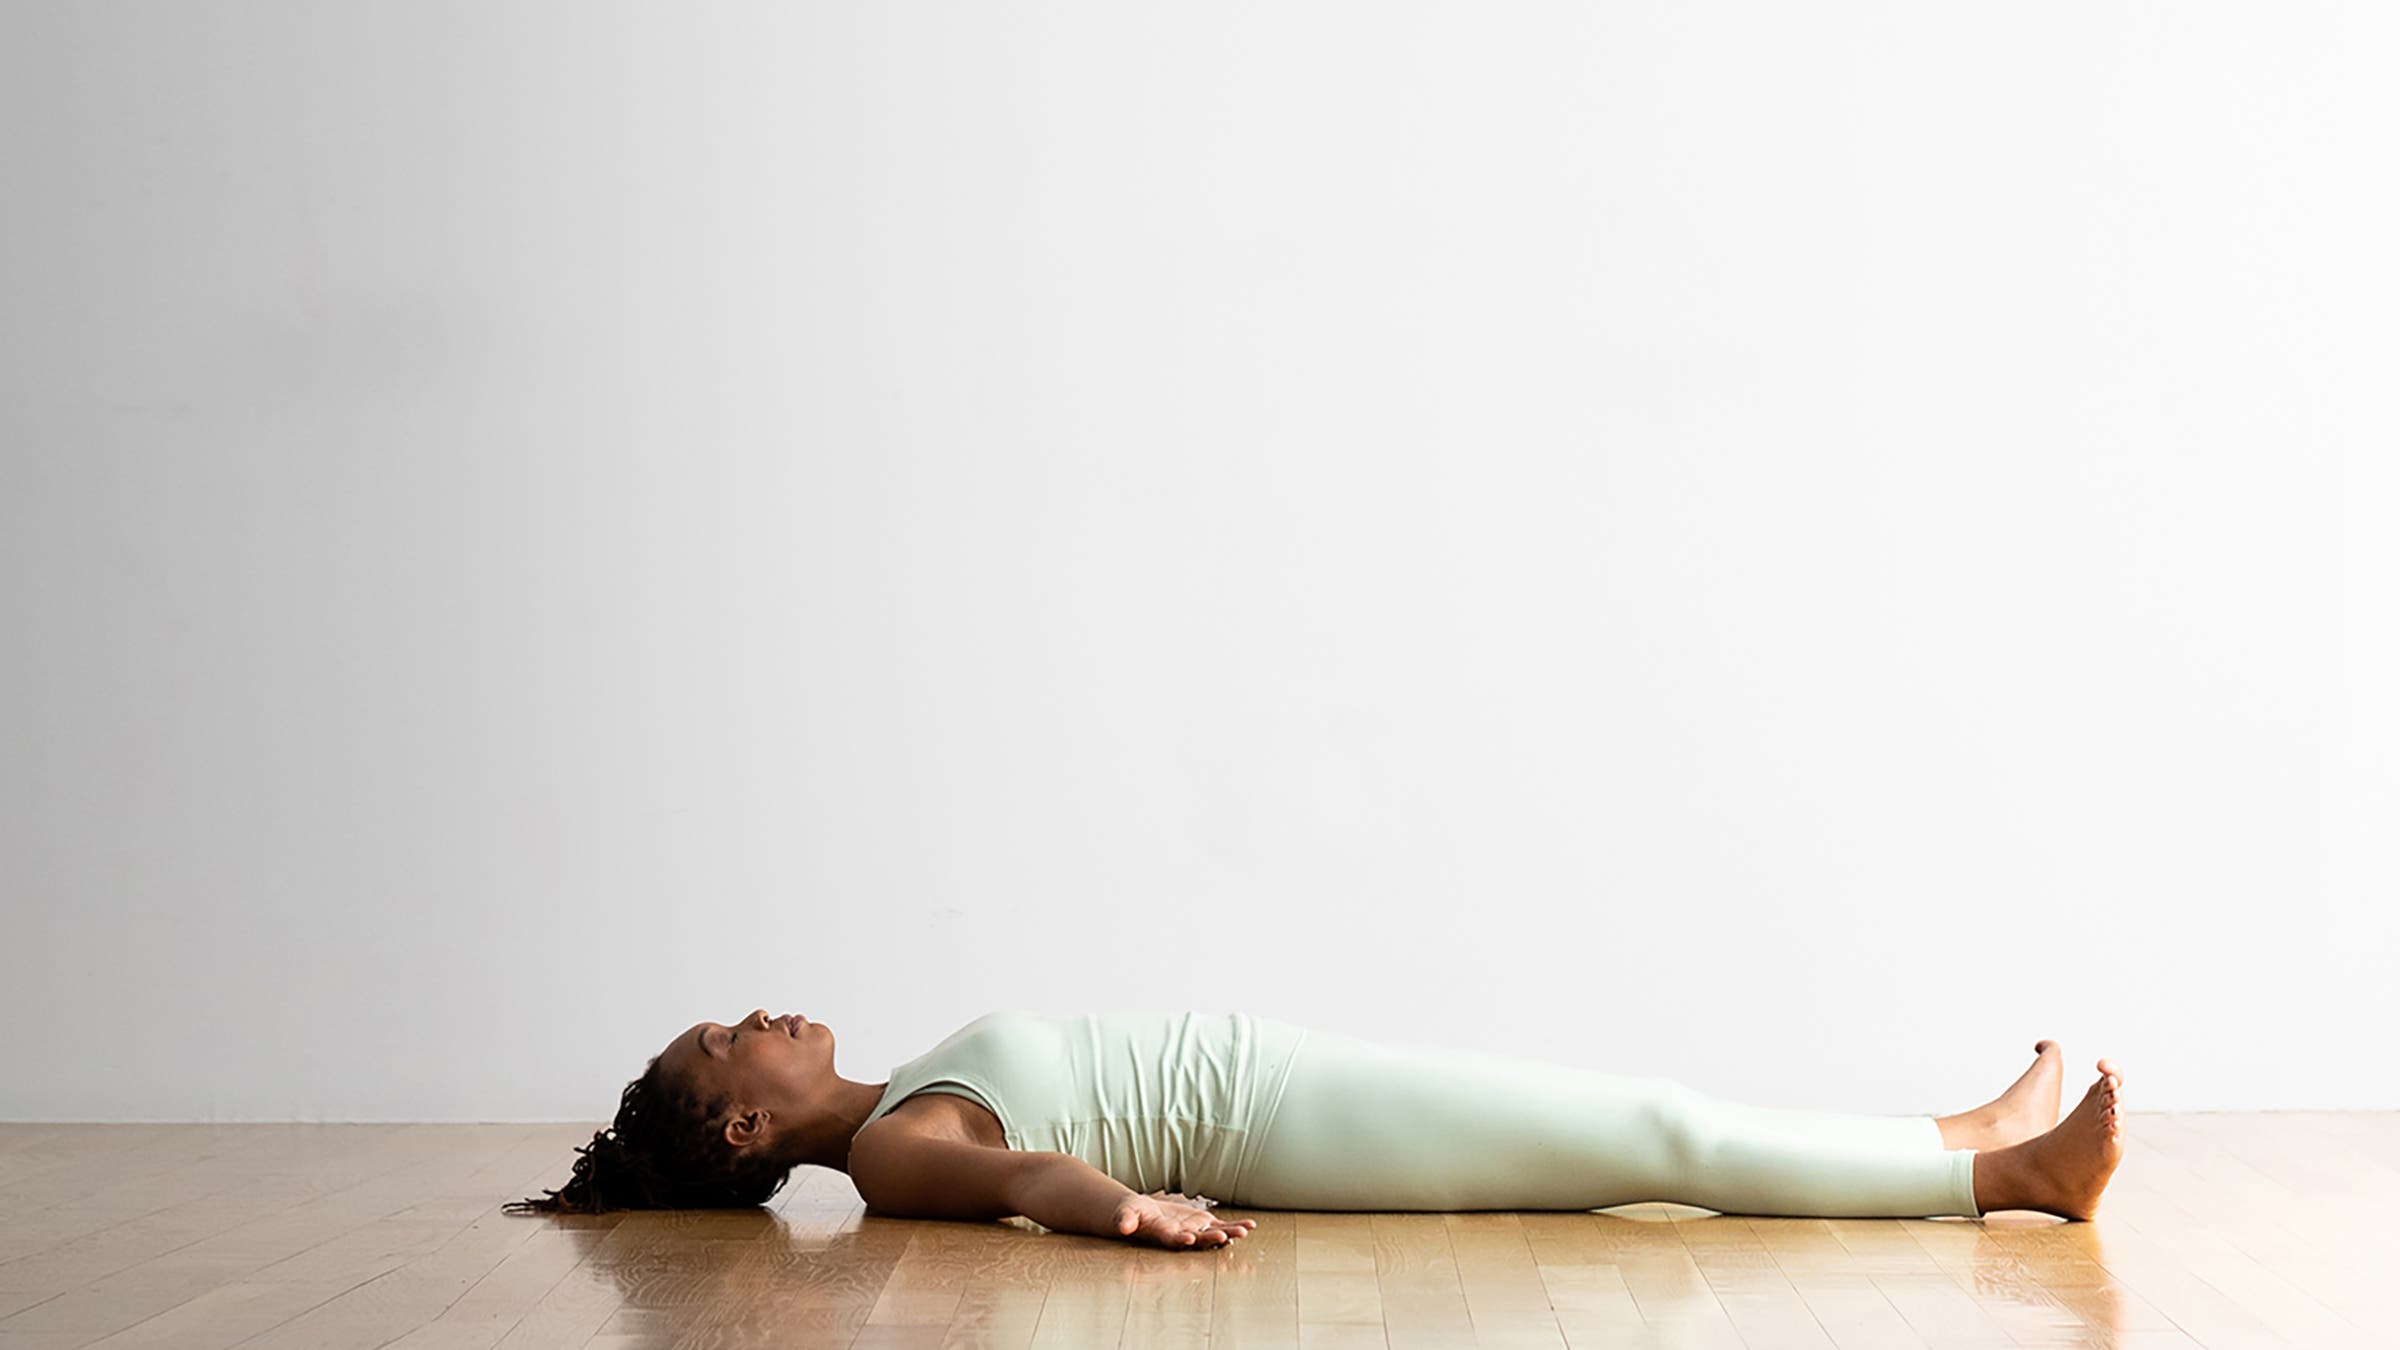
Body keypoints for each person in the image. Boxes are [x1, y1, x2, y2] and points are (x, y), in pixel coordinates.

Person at [505, 1008, 2126, 1249]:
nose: (762, 1014)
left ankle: (1952, 1130)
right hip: (1301, 1125)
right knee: (1657, 1136)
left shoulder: (899, 1084)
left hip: (1294, 1075)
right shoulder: (892, 1149)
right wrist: (1134, 1210)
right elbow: (1025, 1175)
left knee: (1656, 1115)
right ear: (739, 1131)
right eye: (735, 1038)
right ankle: (2007, 1176)